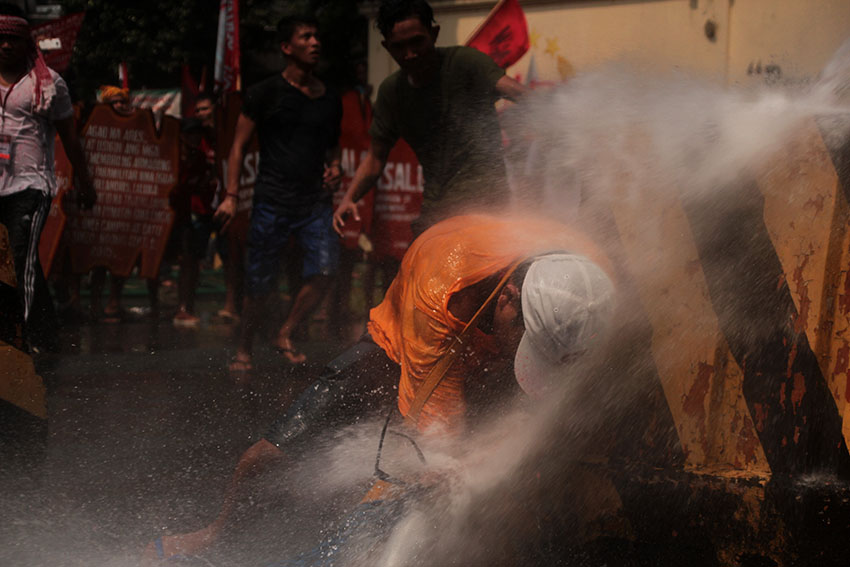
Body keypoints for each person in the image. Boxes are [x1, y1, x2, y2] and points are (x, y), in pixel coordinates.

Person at [143, 213, 616, 561]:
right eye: (525, 342)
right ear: (510, 298)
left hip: (482, 352)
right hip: (399, 347)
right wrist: (457, 468)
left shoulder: (586, 283)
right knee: (278, 461)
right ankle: (219, 534)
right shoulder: (441, 298)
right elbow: (436, 448)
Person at [333, 0, 529, 237]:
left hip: (489, 209)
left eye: (417, 41)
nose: (410, 54)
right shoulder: (392, 92)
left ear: (434, 34)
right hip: (437, 211)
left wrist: (565, 120)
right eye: (399, 46)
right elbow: (375, 158)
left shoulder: (466, 63)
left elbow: (522, 95)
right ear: (386, 47)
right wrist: (349, 198)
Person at [214, 14, 343, 369]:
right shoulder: (265, 93)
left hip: (315, 201)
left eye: (317, 36)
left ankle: (284, 331)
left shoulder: (329, 98)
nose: (315, 42)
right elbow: (238, 146)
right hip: (272, 199)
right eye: (306, 37)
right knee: (259, 281)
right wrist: (230, 195)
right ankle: (244, 346)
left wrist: (337, 169)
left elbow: (334, 149)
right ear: (287, 47)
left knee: (326, 269)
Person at [0, 3, 94, 351]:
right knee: (14, 262)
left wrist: (86, 182)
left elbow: (70, 138)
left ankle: (18, 340)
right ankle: (45, 334)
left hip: (32, 184)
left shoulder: (48, 84)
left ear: (26, 42)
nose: (6, 45)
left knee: (21, 254)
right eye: (0, 39)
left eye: (12, 39)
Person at [171, 117, 218, 328]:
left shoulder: (198, 157)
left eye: (197, 134)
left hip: (187, 216)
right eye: (190, 133)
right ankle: (157, 306)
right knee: (155, 262)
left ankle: (185, 307)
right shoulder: (171, 156)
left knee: (190, 261)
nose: (195, 138)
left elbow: (199, 185)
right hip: (168, 215)